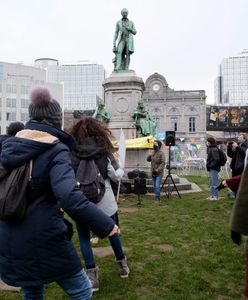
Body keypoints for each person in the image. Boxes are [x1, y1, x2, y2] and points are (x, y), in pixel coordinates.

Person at [0, 87, 119, 300]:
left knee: (32, 287)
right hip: (44, 235)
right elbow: (68, 196)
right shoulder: (55, 149)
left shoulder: (10, 145)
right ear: (55, 121)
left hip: (10, 232)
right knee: (82, 290)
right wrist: (106, 224)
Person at [69, 117, 130, 292]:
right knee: (113, 233)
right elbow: (116, 176)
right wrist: (121, 168)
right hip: (106, 202)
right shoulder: (104, 151)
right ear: (99, 131)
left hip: (81, 202)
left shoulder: (72, 153)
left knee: (83, 238)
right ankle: (122, 266)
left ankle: (92, 276)